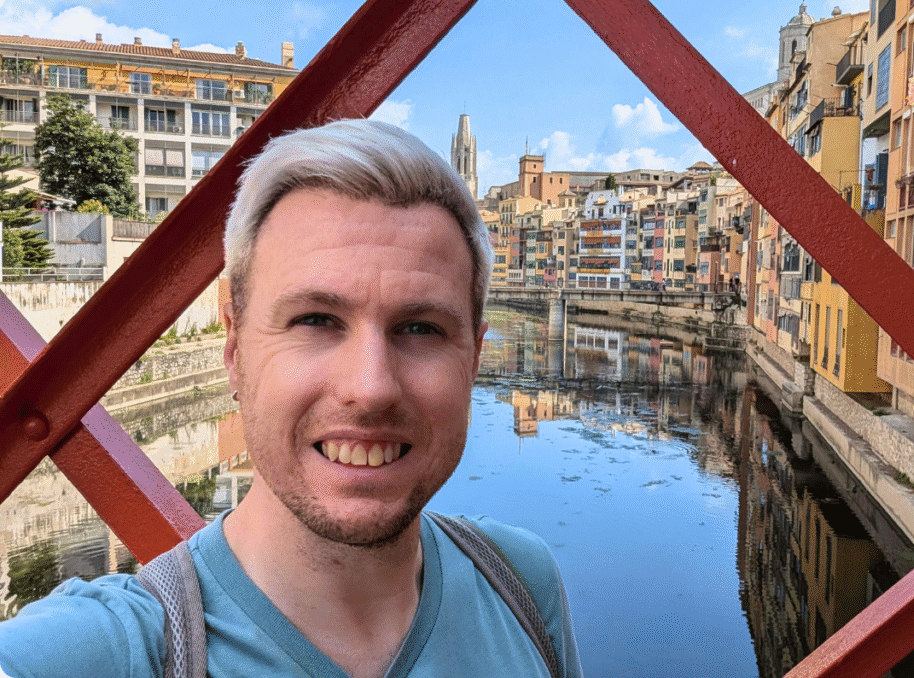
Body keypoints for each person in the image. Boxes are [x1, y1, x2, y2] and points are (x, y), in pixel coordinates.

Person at [0, 120, 583, 678]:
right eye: (315, 320)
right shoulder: (95, 652)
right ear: (233, 345)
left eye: (421, 328)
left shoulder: (522, 583)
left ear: (475, 360)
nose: (370, 387)